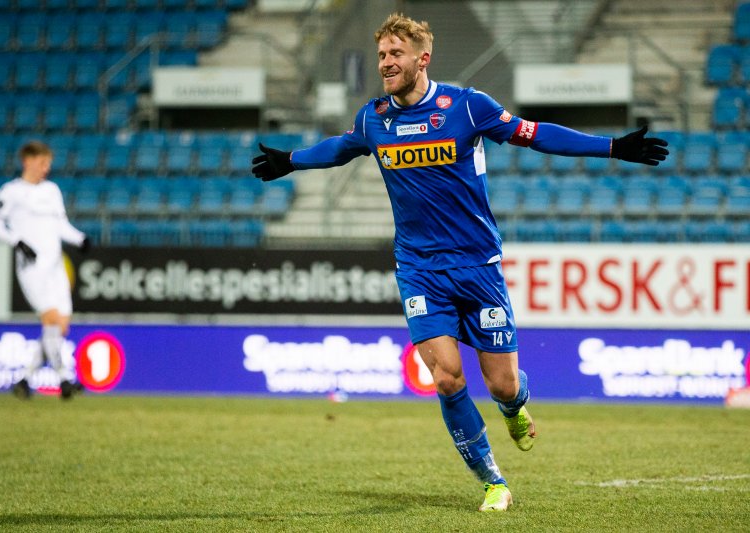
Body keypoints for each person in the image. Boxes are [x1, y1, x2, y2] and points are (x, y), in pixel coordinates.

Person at [251, 13, 668, 512]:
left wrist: (612, 147)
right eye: (382, 54)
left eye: (395, 55)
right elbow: (340, 148)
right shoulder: (374, 118)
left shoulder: (467, 107)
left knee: (503, 385)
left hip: (478, 265)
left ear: (421, 59)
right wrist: (290, 161)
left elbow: (532, 134)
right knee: (447, 378)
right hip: (419, 268)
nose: (386, 63)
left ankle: (515, 408)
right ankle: (493, 480)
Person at [0, 140, 90, 400]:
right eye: (43, 163)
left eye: (48, 164)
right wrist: (18, 242)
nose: (46, 169)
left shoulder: (52, 190)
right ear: (28, 161)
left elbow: (61, 225)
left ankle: (24, 379)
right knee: (52, 319)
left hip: (55, 267)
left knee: (60, 326)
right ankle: (65, 379)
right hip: (32, 269)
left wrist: (80, 238)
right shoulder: (10, 192)